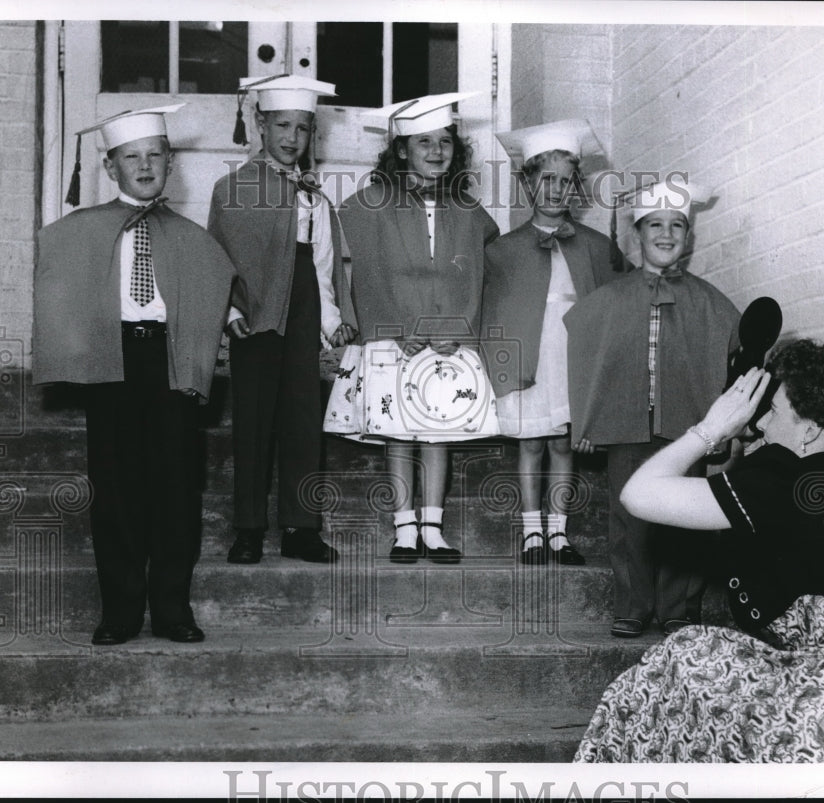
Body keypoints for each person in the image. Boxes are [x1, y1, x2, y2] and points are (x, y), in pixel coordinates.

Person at [574, 340, 824, 763]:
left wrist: (710, 428)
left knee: (681, 657)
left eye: (772, 412)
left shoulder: (782, 478)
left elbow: (639, 494)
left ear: (809, 431)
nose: (760, 426)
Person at [33, 105, 236, 644]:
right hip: (110, 360)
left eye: (155, 155)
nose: (144, 166)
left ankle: (172, 608)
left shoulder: (191, 238)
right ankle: (121, 609)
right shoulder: (80, 232)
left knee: (175, 484)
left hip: (168, 361)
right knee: (117, 486)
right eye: (131, 157)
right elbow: (59, 291)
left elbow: (215, 293)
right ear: (110, 165)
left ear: (169, 163)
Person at [323, 93, 500, 563]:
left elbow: (476, 274)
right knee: (400, 433)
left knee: (438, 433)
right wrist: (391, 327)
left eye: (445, 142)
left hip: (447, 339)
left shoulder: (468, 212)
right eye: (424, 142)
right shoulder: (369, 205)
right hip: (394, 339)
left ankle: (433, 527)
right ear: (401, 149)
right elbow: (365, 271)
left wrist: (458, 330)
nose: (437, 150)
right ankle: (404, 528)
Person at [566, 177, 741, 637]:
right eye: (655, 225)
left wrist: (725, 428)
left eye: (677, 226)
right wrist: (587, 420)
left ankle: (679, 605)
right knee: (630, 519)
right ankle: (633, 605)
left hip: (688, 429)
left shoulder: (709, 302)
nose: (666, 234)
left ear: (689, 236)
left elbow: (734, 363)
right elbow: (585, 358)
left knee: (686, 518)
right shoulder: (608, 300)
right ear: (636, 235)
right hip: (626, 425)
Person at [208, 75, 356, 566]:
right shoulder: (231, 189)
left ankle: (301, 527)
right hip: (254, 314)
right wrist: (229, 311)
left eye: (303, 128)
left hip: (304, 307)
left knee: (302, 419)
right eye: (282, 126)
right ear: (259, 124)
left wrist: (331, 321)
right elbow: (218, 258)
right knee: (253, 420)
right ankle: (248, 527)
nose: (292, 138)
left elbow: (321, 265)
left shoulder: (315, 196)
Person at [481, 120, 614, 565]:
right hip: (531, 355)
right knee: (531, 442)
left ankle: (559, 532)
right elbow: (494, 313)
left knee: (563, 444)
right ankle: (531, 532)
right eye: (547, 180)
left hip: (571, 355)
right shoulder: (504, 248)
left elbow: (609, 308)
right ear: (527, 183)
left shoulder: (596, 246)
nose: (556, 190)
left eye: (566, 181)